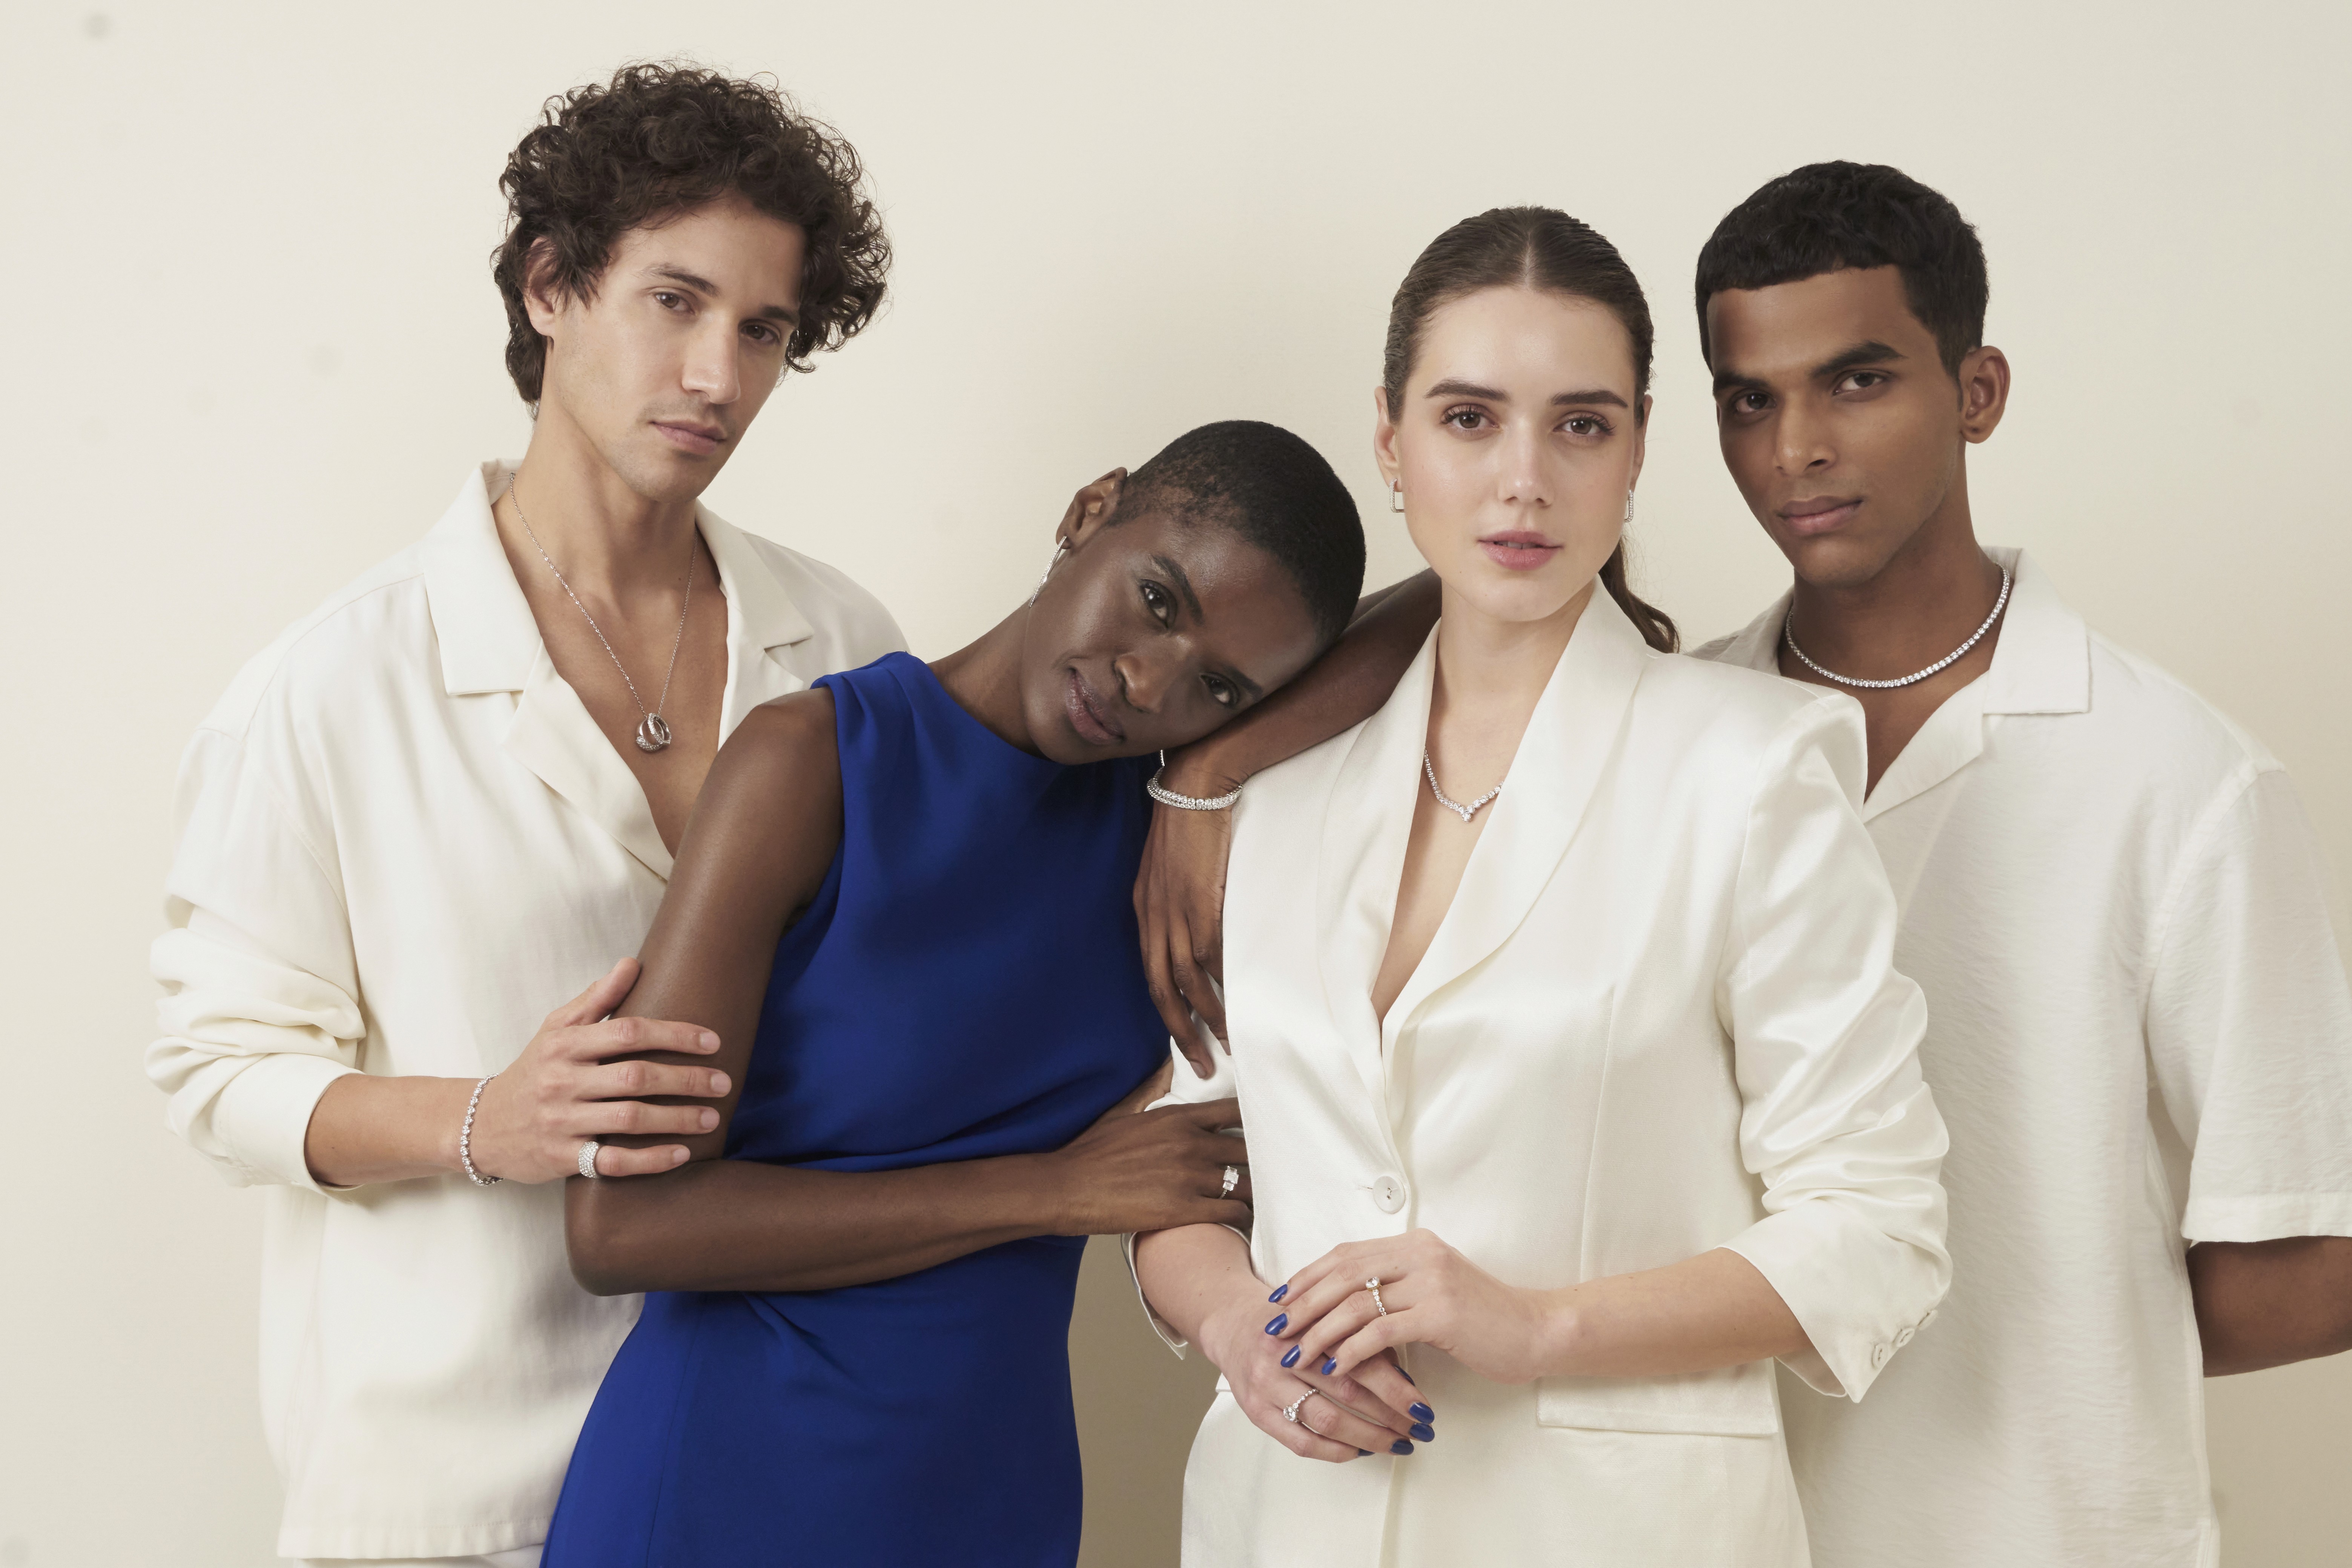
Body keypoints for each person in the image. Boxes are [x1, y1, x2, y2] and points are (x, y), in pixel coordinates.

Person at [147, 66, 904, 1568]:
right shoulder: (332, 684)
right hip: (463, 1491)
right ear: (550, 286)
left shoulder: (844, 645)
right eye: (674, 302)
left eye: (763, 330)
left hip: (778, 1447)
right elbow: (216, 1072)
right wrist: (486, 1118)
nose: (717, 375)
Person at [1128, 208, 1950, 1567]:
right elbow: (1179, 1167)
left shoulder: (1752, 770)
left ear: (1636, 450)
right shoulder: (1267, 796)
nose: (1522, 481)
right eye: (1468, 419)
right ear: (1389, 440)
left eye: (1578, 425)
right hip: (1290, 1520)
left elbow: (1880, 1225)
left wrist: (1534, 1325)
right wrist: (1239, 1329)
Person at [533, 420, 1366, 1568]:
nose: (1147, 681)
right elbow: (621, 1225)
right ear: (1091, 510)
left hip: (987, 1492)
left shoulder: (1167, 840)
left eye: (1217, 686)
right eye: (1156, 601)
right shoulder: (813, 763)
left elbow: (1461, 605)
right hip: (726, 1484)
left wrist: (1210, 774)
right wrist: (1053, 1190)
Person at [1686, 161, 2352, 1567]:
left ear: (1976, 391)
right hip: (1712, 1532)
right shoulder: (1665, 742)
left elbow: (2307, 1269)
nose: (1796, 446)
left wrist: (2034, 1321)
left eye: (1857, 381)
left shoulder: (2183, 781)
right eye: (1748, 399)